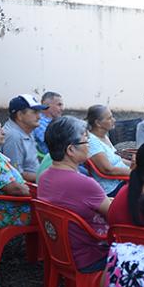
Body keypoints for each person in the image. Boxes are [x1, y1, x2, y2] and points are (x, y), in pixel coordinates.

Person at [38, 116, 111, 272]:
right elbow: (116, 214)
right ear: (71, 150)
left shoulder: (44, 177)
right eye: (86, 141)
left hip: (62, 251)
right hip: (91, 254)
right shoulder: (83, 184)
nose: (89, 146)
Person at [86, 104, 131, 197]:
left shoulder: (104, 136)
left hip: (122, 179)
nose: (114, 120)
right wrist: (137, 173)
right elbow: (108, 170)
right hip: (113, 187)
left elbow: (117, 159)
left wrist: (139, 164)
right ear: (98, 123)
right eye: (109, 118)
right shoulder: (93, 142)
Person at [0, 94, 46, 182]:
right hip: (28, 189)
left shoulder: (26, 129)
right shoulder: (14, 137)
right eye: (34, 112)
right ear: (20, 115)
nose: (39, 116)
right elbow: (16, 174)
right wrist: (47, 179)